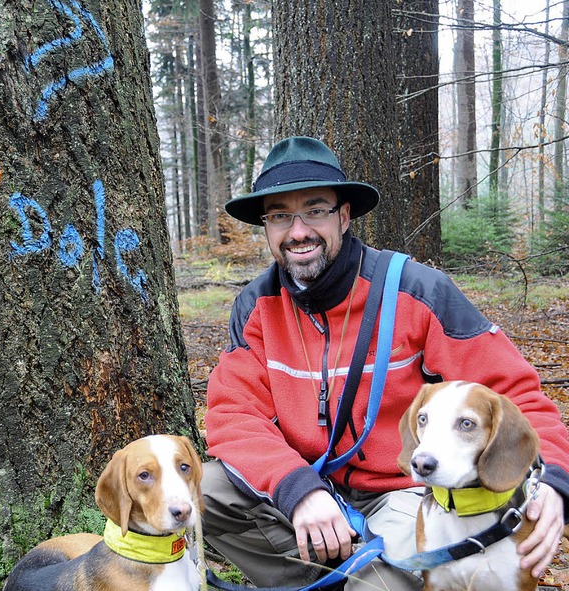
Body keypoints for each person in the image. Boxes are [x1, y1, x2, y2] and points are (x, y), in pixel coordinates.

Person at [202, 136, 569, 590]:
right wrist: (297, 489)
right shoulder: (258, 305)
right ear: (267, 226)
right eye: (279, 215)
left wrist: (552, 480)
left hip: (405, 492)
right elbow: (232, 414)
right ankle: (333, 577)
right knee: (201, 491)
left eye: (315, 210)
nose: (297, 231)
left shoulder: (417, 291)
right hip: (308, 489)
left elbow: (514, 394)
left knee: (381, 583)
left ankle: (370, 576)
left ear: (345, 215)